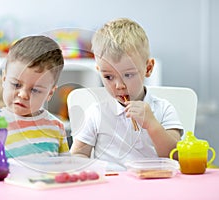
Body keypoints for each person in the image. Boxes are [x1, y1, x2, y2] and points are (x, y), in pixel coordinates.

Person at [70, 18, 183, 171]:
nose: (119, 85)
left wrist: (152, 124)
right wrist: (91, 168)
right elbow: (78, 155)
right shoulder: (96, 112)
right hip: (110, 188)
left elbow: (175, 157)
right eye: (109, 77)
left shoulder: (163, 109)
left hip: (154, 185)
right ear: (99, 71)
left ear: (148, 68)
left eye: (128, 75)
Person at [0, 35, 70, 174]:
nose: (23, 95)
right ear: (4, 80)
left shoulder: (56, 126)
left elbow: (65, 167)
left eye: (35, 90)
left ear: (50, 93)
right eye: (16, 84)